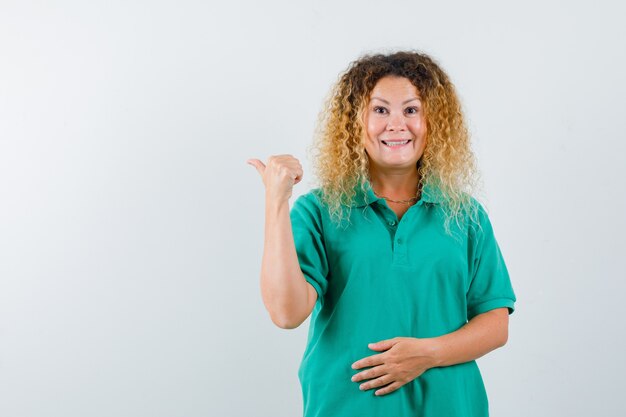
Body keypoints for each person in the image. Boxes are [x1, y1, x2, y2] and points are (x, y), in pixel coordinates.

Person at [247, 50, 516, 417]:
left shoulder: (465, 215)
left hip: (450, 406)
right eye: (380, 110)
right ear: (355, 121)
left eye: (411, 109)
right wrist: (276, 201)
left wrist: (425, 355)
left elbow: (495, 324)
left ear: (433, 120)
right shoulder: (320, 211)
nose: (396, 124)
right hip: (345, 407)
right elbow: (286, 313)